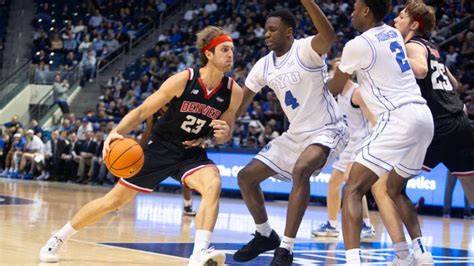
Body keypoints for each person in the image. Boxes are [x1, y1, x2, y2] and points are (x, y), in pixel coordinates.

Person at [39, 25, 243, 266]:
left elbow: (224, 133)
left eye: (232, 50)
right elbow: (144, 110)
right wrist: (116, 132)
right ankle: (59, 237)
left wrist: (220, 134)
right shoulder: (184, 80)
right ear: (208, 54)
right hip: (160, 148)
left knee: (213, 184)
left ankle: (199, 253)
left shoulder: (234, 92)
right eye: (225, 50)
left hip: (192, 153)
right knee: (112, 202)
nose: (231, 54)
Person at [233, 3, 346, 265]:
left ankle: (286, 248)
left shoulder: (306, 49)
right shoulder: (263, 65)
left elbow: (328, 35)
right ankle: (264, 235)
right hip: (295, 134)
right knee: (246, 177)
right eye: (265, 30)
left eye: (273, 29)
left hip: (327, 128)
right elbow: (241, 104)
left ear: (289, 32)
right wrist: (221, 125)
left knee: (301, 170)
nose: (266, 34)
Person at [327, 0, 434, 264]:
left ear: (366, 10)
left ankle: (352, 261)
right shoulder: (393, 34)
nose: (351, 13)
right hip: (423, 117)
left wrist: (320, 75)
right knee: (395, 190)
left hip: (396, 118)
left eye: (355, 8)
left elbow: (335, 86)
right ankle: (416, 254)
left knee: (352, 188)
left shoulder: (357, 45)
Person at [394, 1, 474, 204]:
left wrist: (394, 51)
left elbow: (420, 70)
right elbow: (454, 84)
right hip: (461, 122)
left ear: (414, 25)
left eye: (401, 16)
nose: (395, 20)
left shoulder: (410, 46)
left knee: (389, 187)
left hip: (440, 125)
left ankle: (412, 235)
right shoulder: (433, 48)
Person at [312, 58, 376, 239]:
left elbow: (374, 120)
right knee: (334, 182)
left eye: (336, 70)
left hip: (363, 141)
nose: (333, 74)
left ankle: (366, 224)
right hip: (348, 144)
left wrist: (378, 140)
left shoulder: (357, 93)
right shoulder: (337, 92)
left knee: (351, 181)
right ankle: (332, 225)